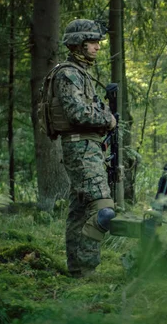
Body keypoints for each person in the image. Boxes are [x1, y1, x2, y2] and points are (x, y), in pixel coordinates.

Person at [46, 19, 117, 277]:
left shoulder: (80, 72)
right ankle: (87, 269)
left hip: (87, 147)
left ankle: (76, 271)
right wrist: (108, 119)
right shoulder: (69, 73)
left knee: (78, 211)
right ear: (79, 44)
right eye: (93, 42)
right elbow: (76, 113)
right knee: (103, 210)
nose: (98, 47)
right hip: (81, 148)